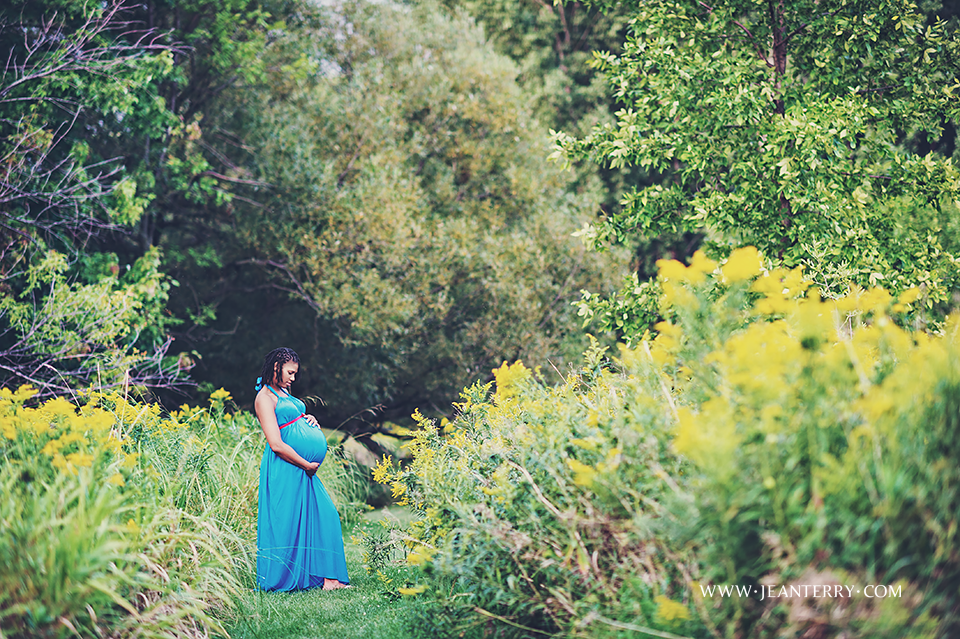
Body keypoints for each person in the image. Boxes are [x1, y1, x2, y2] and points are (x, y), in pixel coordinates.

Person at [254, 347, 350, 591]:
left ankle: (328, 579)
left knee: (323, 516)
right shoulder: (264, 398)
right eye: (290, 372)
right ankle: (308, 579)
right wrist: (306, 464)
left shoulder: (283, 392)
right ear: (276, 367)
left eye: (295, 374)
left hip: (301, 469)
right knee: (288, 524)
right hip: (287, 467)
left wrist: (309, 419)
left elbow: (292, 420)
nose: (293, 378)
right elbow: (276, 444)